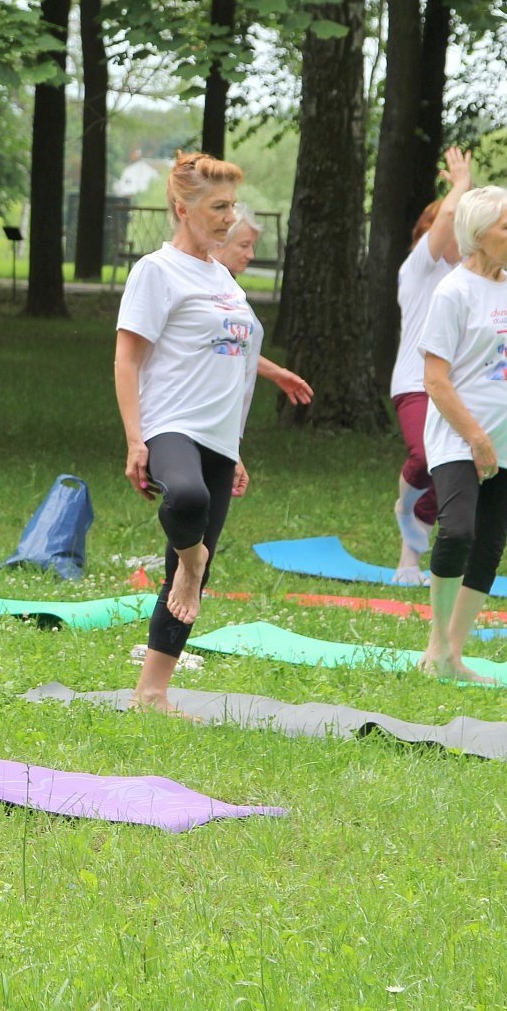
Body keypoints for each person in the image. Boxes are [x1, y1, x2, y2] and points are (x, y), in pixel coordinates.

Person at [116, 151, 258, 714]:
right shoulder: (157, 270)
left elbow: (232, 363)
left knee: (192, 567)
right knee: (188, 501)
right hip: (170, 422)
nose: (230, 217)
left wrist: (238, 447)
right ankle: (191, 561)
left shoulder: (222, 276)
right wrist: (135, 438)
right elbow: (128, 359)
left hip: (220, 435)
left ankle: (152, 690)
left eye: (232, 206)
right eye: (218, 207)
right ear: (182, 208)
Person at [416, 185, 507, 682]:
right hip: (458, 437)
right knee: (459, 531)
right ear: (478, 233)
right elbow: (435, 379)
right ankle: (436, 646)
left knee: (489, 544)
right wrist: (474, 436)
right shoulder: (453, 291)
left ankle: (453, 654)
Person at [388, 147, 474, 584]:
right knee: (423, 456)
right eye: (456, 224)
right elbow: (446, 221)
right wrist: (461, 182)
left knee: (447, 473)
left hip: (459, 390)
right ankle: (404, 505)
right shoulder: (420, 268)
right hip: (416, 383)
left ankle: (409, 561)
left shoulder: (472, 280)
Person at [211, 205, 314, 407]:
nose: (251, 255)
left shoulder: (230, 289)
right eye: (244, 245)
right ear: (219, 243)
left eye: (253, 246)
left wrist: (276, 374)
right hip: (198, 420)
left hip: (227, 422)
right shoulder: (204, 289)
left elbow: (229, 346)